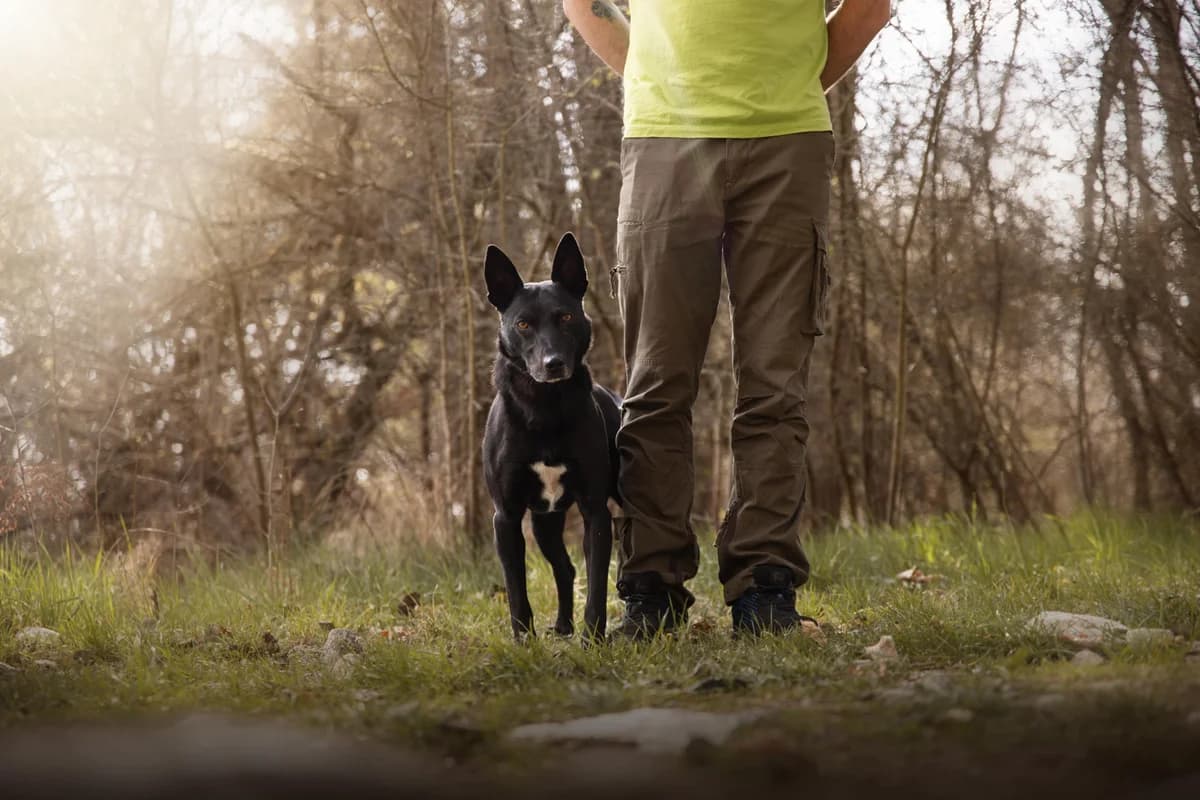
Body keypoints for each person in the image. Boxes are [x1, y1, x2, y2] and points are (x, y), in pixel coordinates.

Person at [563, 0, 892, 638]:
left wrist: (789, 86)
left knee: (774, 383)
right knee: (657, 382)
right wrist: (654, 80)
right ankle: (651, 589)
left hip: (787, 145)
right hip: (663, 142)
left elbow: (872, 6)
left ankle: (764, 589)